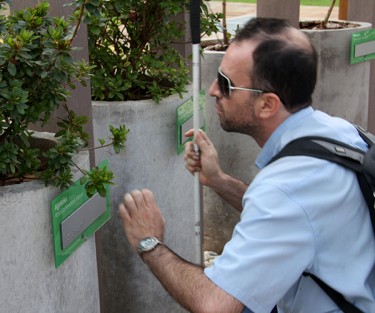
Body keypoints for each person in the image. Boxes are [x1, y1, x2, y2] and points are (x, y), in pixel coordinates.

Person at [118, 18, 375, 312]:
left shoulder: (284, 188)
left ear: (267, 104)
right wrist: (219, 181)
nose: (213, 90)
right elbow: (298, 216)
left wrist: (149, 243)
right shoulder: (339, 132)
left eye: (226, 84)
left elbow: (215, 304)